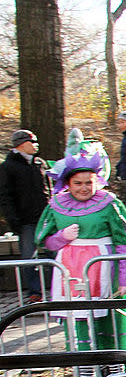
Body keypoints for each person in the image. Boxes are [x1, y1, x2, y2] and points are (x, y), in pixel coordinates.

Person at [35, 152, 126, 353]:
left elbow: (123, 240)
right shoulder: (57, 205)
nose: (83, 188)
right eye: (77, 183)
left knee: (110, 317)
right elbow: (46, 242)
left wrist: (125, 276)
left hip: (106, 268)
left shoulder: (109, 203)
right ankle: (83, 365)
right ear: (68, 183)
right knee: (78, 316)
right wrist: (62, 237)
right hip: (71, 270)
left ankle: (114, 366)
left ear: (96, 181)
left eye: (88, 183)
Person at [0, 129, 49, 301]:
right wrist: (13, 219)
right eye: (32, 141)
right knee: (29, 257)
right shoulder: (8, 167)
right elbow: (5, 195)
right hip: (25, 220)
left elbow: (48, 189)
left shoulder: (39, 163)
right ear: (20, 144)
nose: (36, 145)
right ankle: (35, 292)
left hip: (46, 218)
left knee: (56, 252)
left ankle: (65, 286)